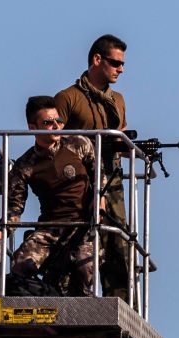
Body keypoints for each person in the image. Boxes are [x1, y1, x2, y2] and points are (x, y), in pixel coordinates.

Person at [0, 96, 104, 297]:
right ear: (33, 128)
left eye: (59, 121)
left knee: (84, 269)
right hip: (51, 228)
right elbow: (15, 206)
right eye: (48, 123)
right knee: (20, 265)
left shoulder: (78, 144)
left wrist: (99, 200)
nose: (56, 127)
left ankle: (80, 314)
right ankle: (41, 296)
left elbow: (99, 175)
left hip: (85, 225)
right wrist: (3, 231)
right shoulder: (26, 165)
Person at [53, 34, 130, 299]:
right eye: (115, 63)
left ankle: (120, 302)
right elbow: (52, 140)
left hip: (111, 178)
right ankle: (64, 294)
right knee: (74, 238)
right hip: (78, 181)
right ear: (97, 60)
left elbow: (120, 133)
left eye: (122, 64)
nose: (120, 69)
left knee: (117, 240)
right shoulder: (68, 98)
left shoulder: (117, 100)